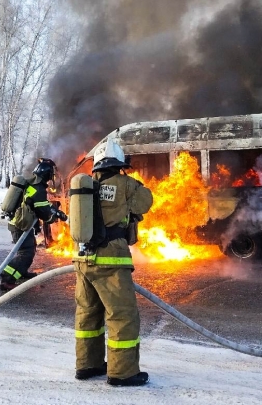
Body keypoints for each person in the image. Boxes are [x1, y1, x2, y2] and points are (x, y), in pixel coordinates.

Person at [72, 139, 154, 387]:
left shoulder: (85, 186)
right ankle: (123, 372)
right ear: (119, 163)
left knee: (87, 315)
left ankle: (88, 365)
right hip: (111, 261)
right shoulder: (126, 184)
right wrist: (134, 182)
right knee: (122, 316)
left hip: (82, 259)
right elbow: (146, 202)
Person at [0, 158, 66, 292]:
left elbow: (40, 206)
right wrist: (55, 215)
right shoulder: (38, 189)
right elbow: (44, 211)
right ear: (47, 175)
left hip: (20, 223)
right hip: (20, 225)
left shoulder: (33, 185)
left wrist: (56, 212)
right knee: (26, 253)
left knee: (28, 249)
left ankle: (21, 272)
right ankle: (7, 278)